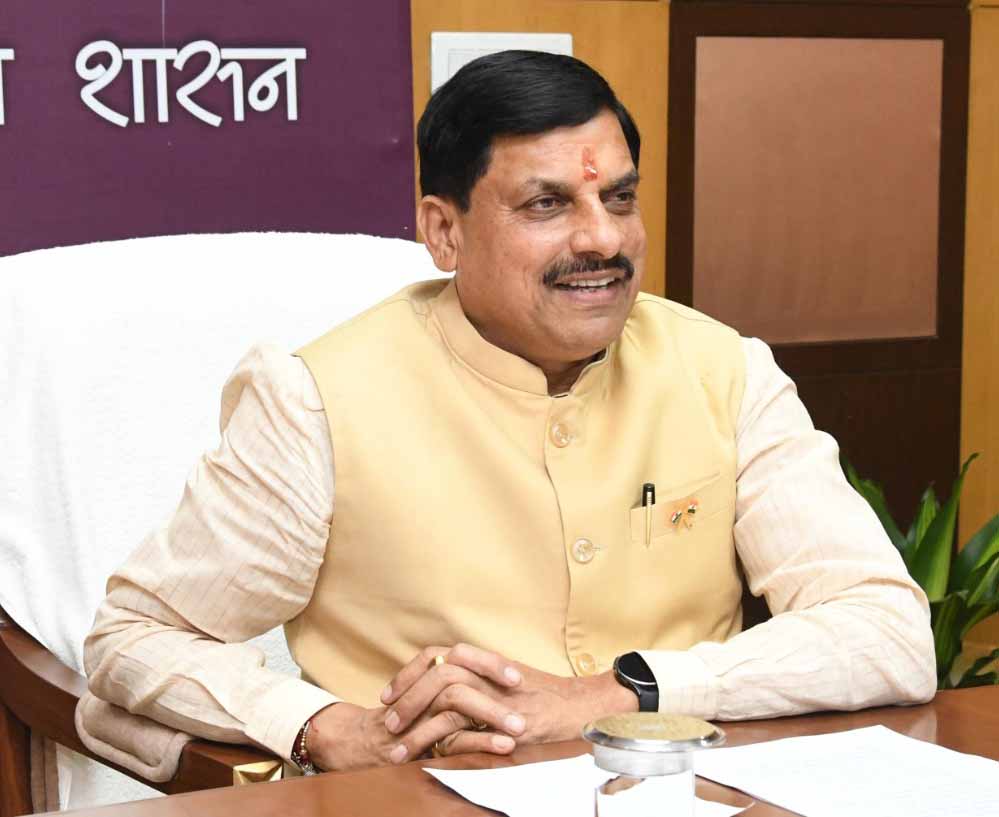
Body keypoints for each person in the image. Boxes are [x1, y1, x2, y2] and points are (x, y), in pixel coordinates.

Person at [83, 50, 935, 775]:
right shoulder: (317, 401)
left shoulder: (724, 370)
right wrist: (320, 726)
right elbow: (135, 636)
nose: (603, 239)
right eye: (546, 205)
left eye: (619, 199)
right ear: (443, 232)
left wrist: (621, 692)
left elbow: (887, 633)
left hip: (684, 789)